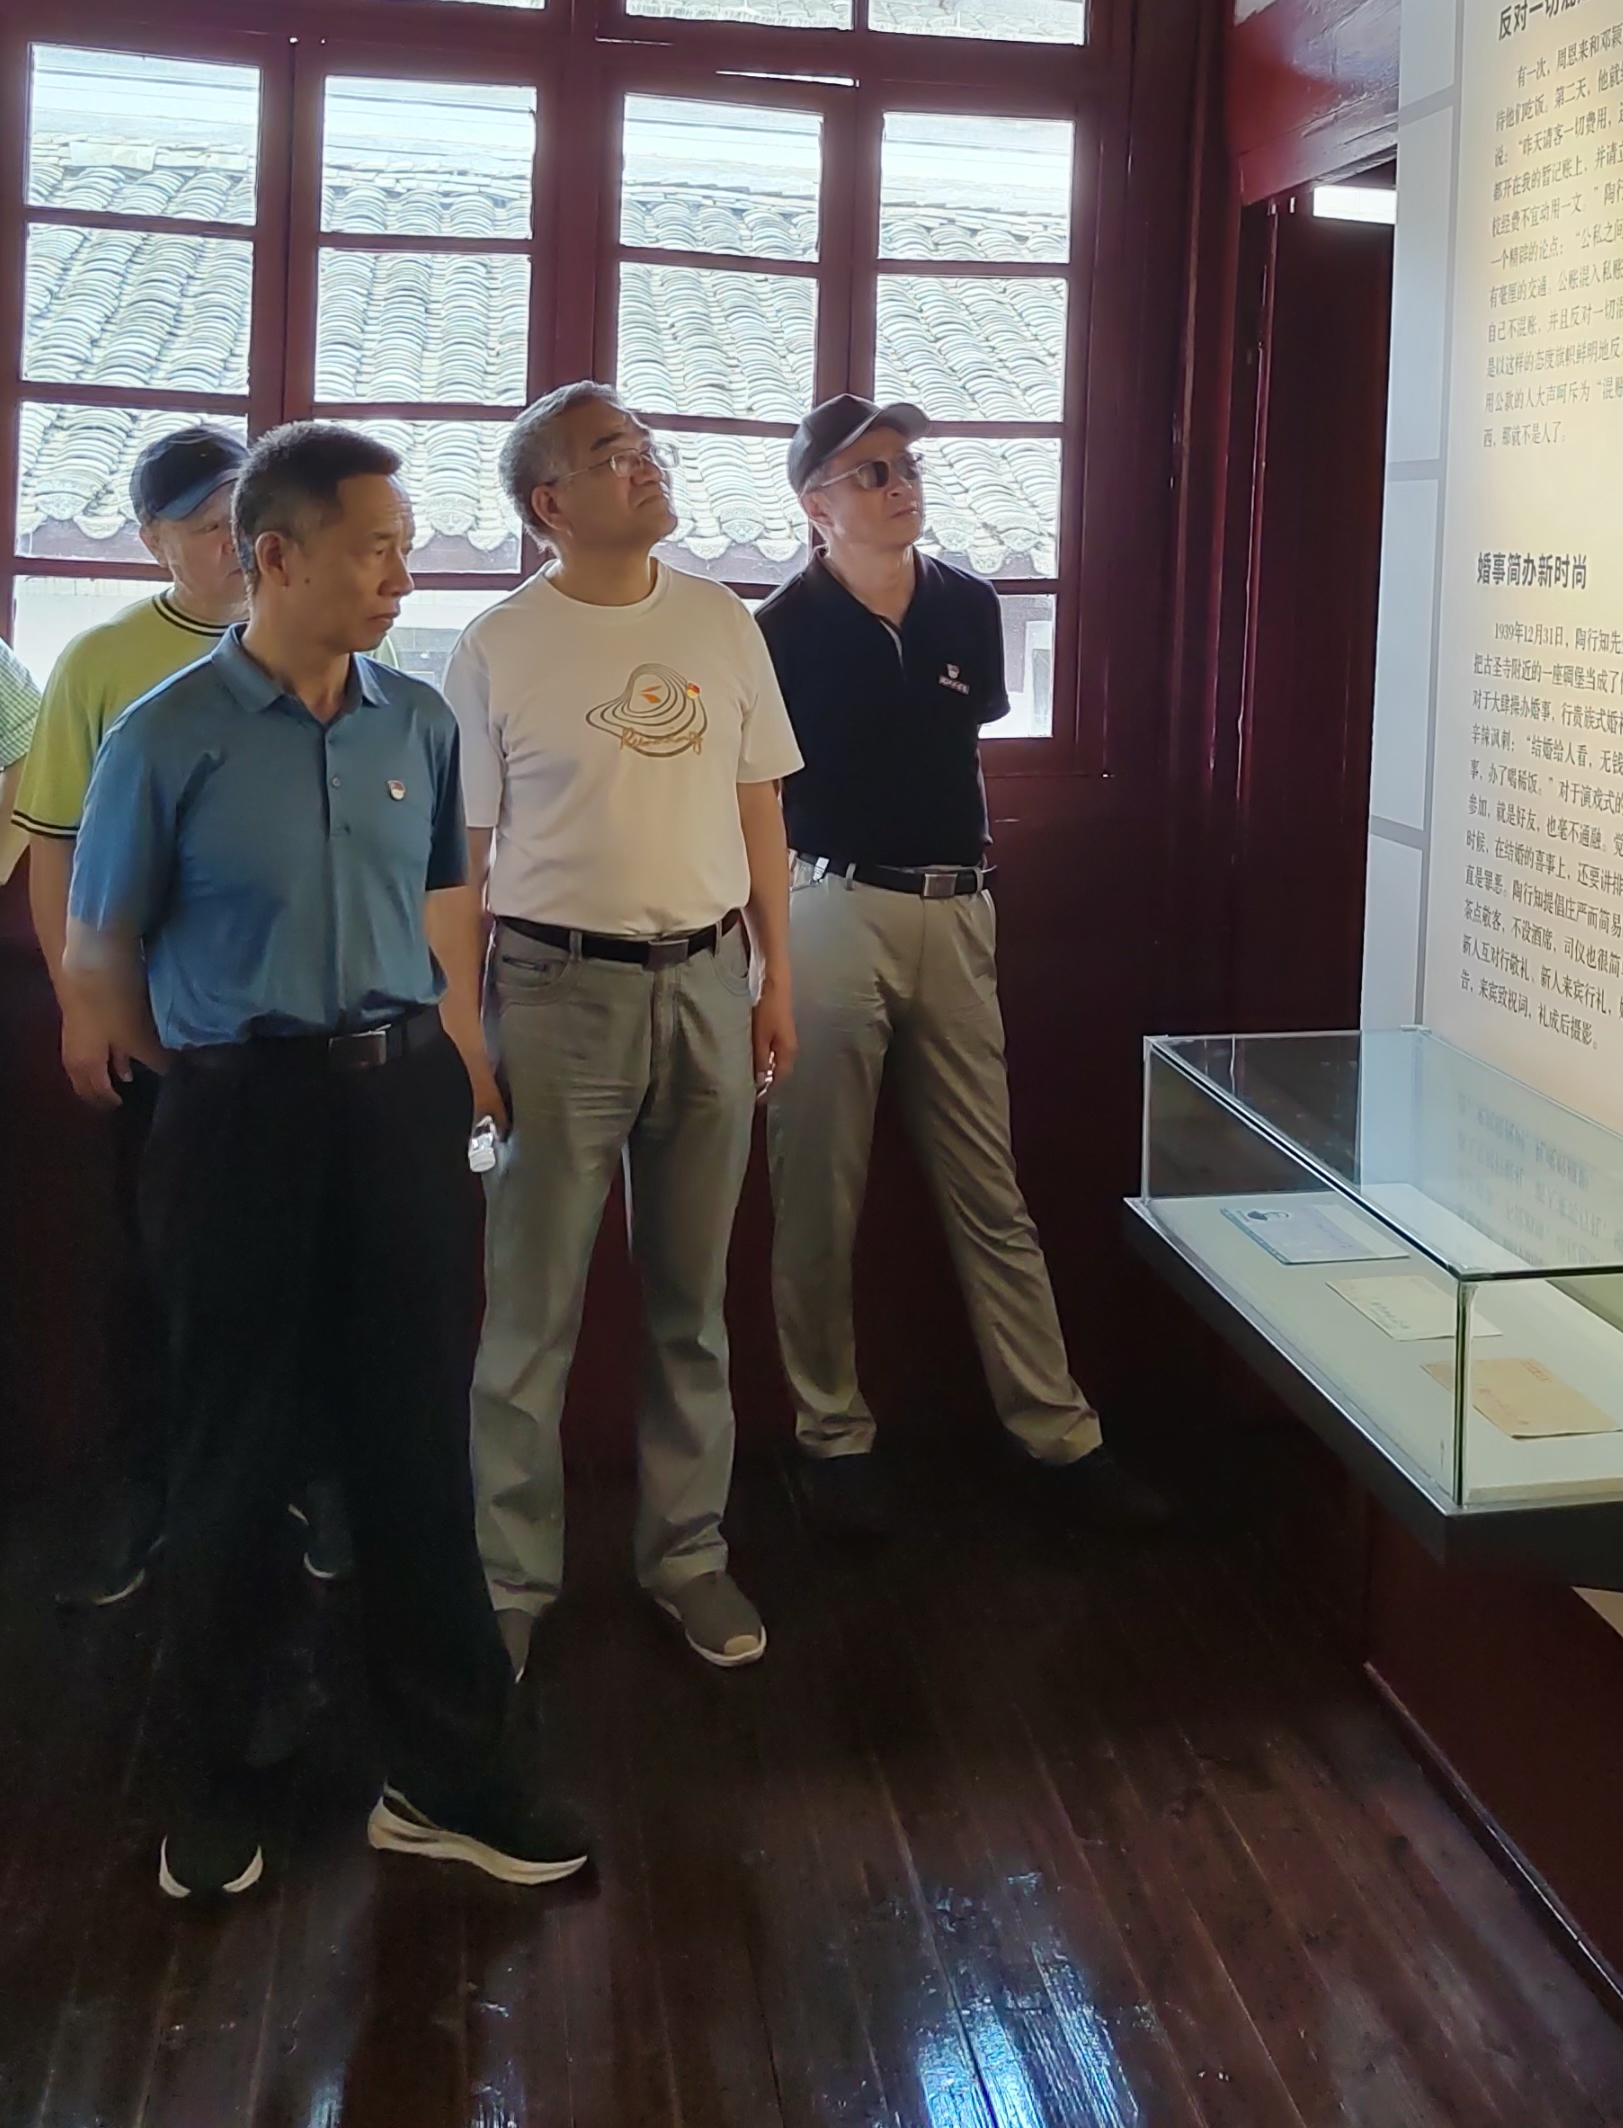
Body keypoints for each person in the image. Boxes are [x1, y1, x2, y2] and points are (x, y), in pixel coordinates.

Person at [62, 422, 585, 1898]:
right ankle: (220, 1776)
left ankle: (446, 1775)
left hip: (398, 1101)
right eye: (376, 550)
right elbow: (100, 954)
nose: (401, 575)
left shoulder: (415, 721)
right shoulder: (163, 733)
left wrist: (455, 1054)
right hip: (235, 1115)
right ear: (275, 556)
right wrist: (218, 1078)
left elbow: (443, 911)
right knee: (233, 1449)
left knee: (416, 1442)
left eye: (405, 548)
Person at [754, 396, 1158, 1536]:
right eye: (870, 473)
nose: (900, 486)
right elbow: (753, 796)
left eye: (906, 466)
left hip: (957, 909)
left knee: (991, 1189)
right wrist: (768, 952)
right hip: (829, 908)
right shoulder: (776, 628)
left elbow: (960, 741)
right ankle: (831, 1439)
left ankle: (1057, 1436)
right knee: (817, 1190)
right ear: (816, 504)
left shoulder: (967, 605)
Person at [454, 384, 799, 1679]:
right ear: (549, 504)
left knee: (691, 1305)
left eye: (648, 448)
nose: (647, 466)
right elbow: (463, 857)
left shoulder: (720, 619)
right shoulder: (498, 645)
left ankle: (687, 1556)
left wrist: (774, 977)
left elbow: (760, 807)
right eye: (613, 456)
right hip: (553, 992)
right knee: (529, 1311)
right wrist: (460, 1025)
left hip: (708, 981)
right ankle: (508, 1581)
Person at [25, 424, 303, 1613]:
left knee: (302, 1263)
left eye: (244, 520)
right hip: (155, 1023)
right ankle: (151, 1499)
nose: (233, 546)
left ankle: (296, 1491)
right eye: (203, 527)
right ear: (153, 542)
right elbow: (55, 848)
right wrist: (79, 1003)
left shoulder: (318, 642)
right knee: (153, 1267)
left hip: (296, 1019)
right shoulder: (103, 663)